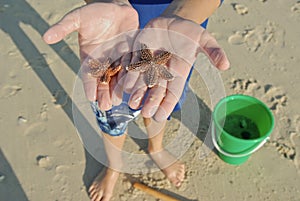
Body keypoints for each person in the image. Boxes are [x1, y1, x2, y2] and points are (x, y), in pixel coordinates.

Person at [43, 0, 230, 200]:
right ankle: (114, 166)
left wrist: (182, 16)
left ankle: (156, 149)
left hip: (178, 34)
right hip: (116, 35)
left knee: (157, 101)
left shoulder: (163, 57)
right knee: (113, 111)